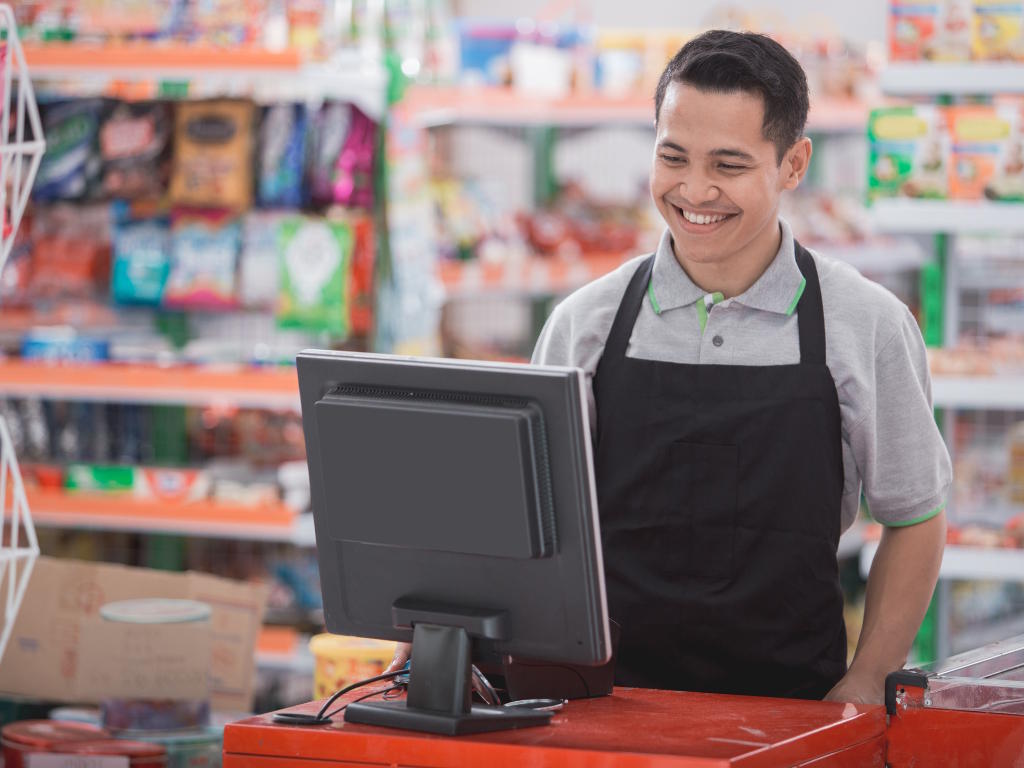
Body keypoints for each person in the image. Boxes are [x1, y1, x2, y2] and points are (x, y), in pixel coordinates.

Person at [389, 29, 950, 704]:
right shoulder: (584, 324)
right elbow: (522, 524)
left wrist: (865, 679)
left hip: (790, 711)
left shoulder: (864, 323)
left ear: (793, 164)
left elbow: (914, 515)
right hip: (597, 708)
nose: (695, 190)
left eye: (729, 165)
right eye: (673, 157)